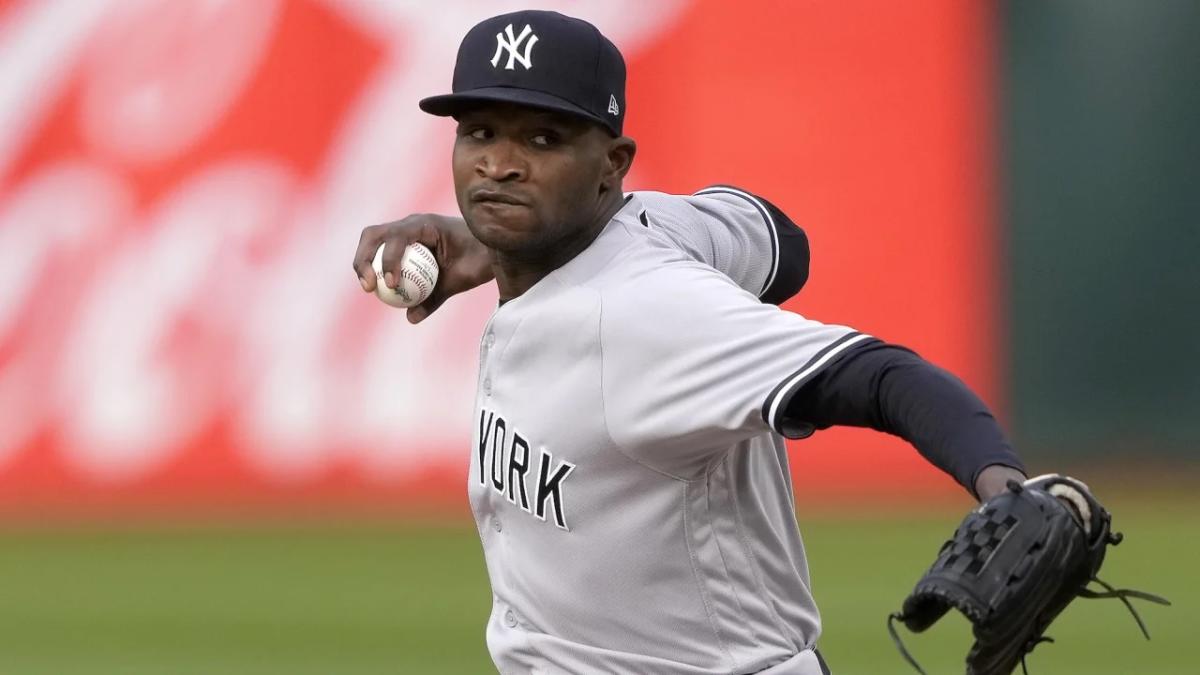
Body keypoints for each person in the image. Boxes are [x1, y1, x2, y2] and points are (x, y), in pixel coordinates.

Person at [353, 10, 1026, 675]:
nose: (500, 164)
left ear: (612, 165)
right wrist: (488, 240)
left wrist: (1006, 488)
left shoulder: (649, 313)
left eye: (543, 140)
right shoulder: (658, 227)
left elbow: (878, 375)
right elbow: (782, 242)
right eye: (479, 132)